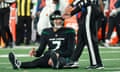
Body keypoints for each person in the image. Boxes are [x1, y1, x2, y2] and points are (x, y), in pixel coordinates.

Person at [8, 10, 76, 69]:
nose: (59, 21)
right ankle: (18, 64)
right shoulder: (46, 32)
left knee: (62, 60)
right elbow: (40, 51)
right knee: (36, 62)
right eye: (56, 19)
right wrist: (35, 53)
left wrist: (58, 54)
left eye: (60, 19)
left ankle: (56, 63)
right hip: (49, 56)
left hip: (63, 56)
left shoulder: (69, 31)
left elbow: (70, 51)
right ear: (52, 21)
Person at [63, 0, 104, 69]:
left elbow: (86, 2)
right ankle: (74, 60)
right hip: (87, 10)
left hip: (89, 9)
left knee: (89, 38)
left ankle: (96, 63)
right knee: (81, 37)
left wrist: (71, 9)